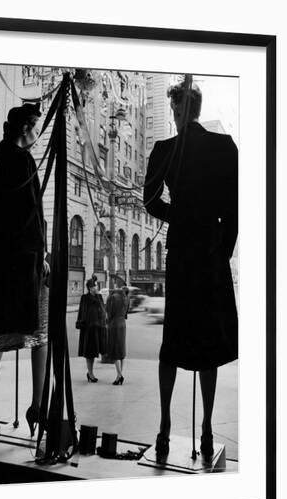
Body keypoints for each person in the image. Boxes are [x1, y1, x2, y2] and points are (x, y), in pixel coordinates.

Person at [143, 78, 238, 461]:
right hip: (210, 252)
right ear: (196, 109)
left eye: (175, 109)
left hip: (182, 251)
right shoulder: (223, 146)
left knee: (175, 339)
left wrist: (176, 216)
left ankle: (165, 427)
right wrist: (222, 248)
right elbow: (234, 208)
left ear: (178, 111)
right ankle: (207, 429)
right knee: (209, 345)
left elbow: (150, 199)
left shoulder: (165, 149)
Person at [0, 103, 50, 438]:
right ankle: (37, 406)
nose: (36, 136)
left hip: (6, 263)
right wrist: (41, 253)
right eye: (34, 128)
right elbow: (30, 215)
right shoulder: (21, 159)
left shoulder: (3, 159)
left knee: (2, 331)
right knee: (39, 331)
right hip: (23, 263)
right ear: (25, 128)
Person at [76, 276, 107, 382]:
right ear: (90, 288)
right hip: (88, 329)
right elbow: (82, 312)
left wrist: (103, 325)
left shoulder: (99, 297)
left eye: (96, 286)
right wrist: (81, 323)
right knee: (89, 353)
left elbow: (103, 312)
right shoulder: (84, 298)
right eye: (95, 286)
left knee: (93, 353)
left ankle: (90, 373)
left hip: (97, 329)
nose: (96, 287)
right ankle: (90, 373)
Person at [106, 288, 129, 385]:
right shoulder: (126, 298)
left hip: (114, 324)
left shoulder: (112, 298)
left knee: (115, 350)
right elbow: (126, 314)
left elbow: (109, 312)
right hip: (123, 324)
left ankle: (119, 375)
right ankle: (119, 375)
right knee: (121, 350)